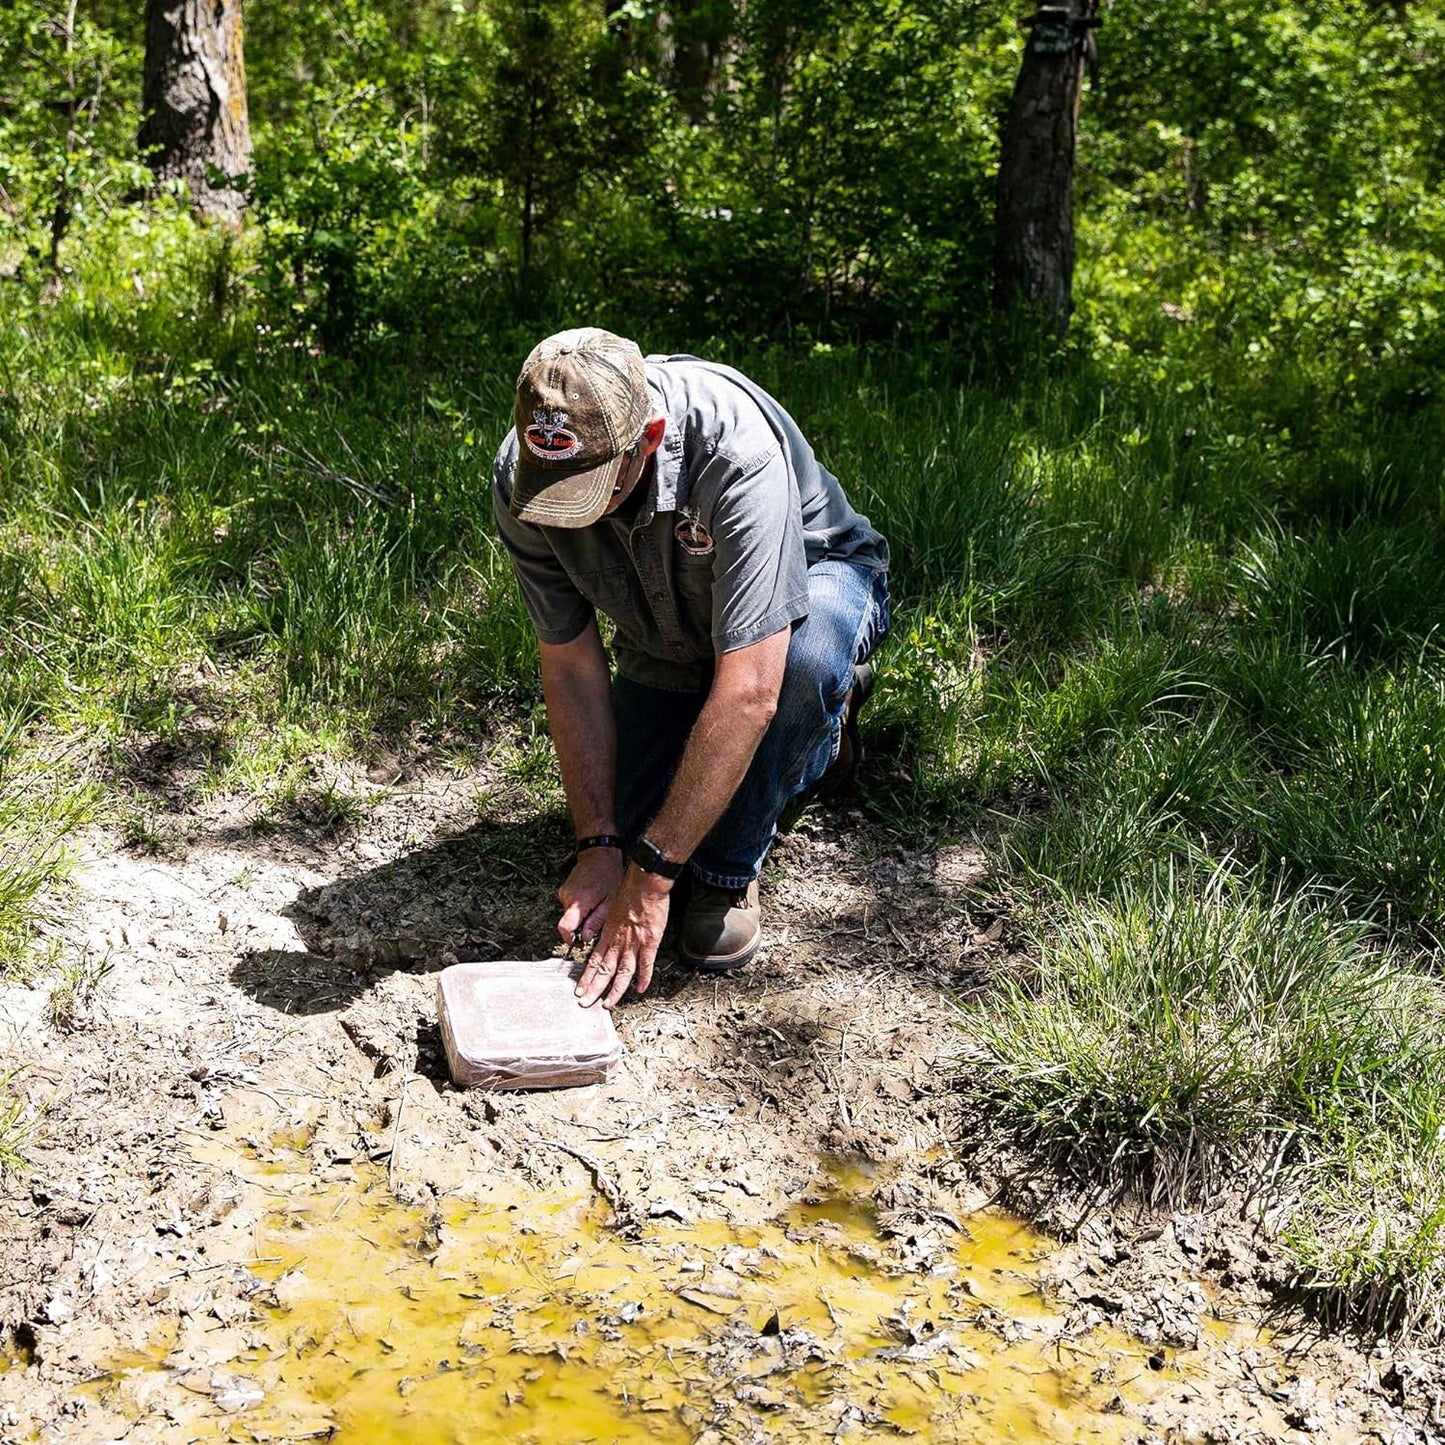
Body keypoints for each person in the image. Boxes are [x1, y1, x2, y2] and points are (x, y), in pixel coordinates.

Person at [492, 328, 889, 1010]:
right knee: (636, 824)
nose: (567, 511)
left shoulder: (734, 451)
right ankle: (723, 753)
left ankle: (732, 865)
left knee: (800, 668)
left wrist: (651, 879)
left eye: (589, 488)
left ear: (647, 438)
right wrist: (600, 845)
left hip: (810, 589)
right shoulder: (525, 471)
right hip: (669, 627)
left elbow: (751, 691)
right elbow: (571, 665)